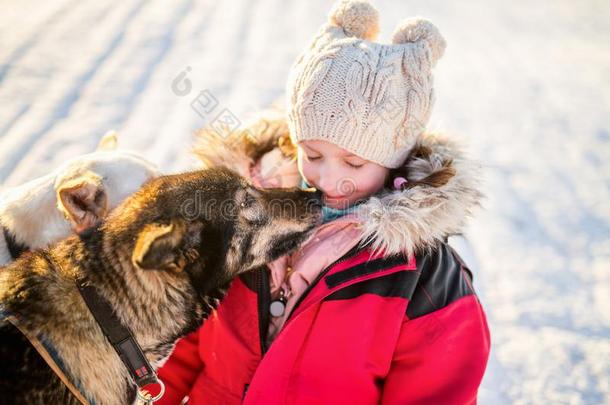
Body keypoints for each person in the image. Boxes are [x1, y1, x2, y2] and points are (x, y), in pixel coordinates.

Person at [156, 1, 490, 403]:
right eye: (312, 155)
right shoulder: (235, 217)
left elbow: (438, 389)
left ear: (395, 159)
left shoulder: (422, 276)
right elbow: (179, 342)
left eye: (354, 161)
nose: (329, 179)